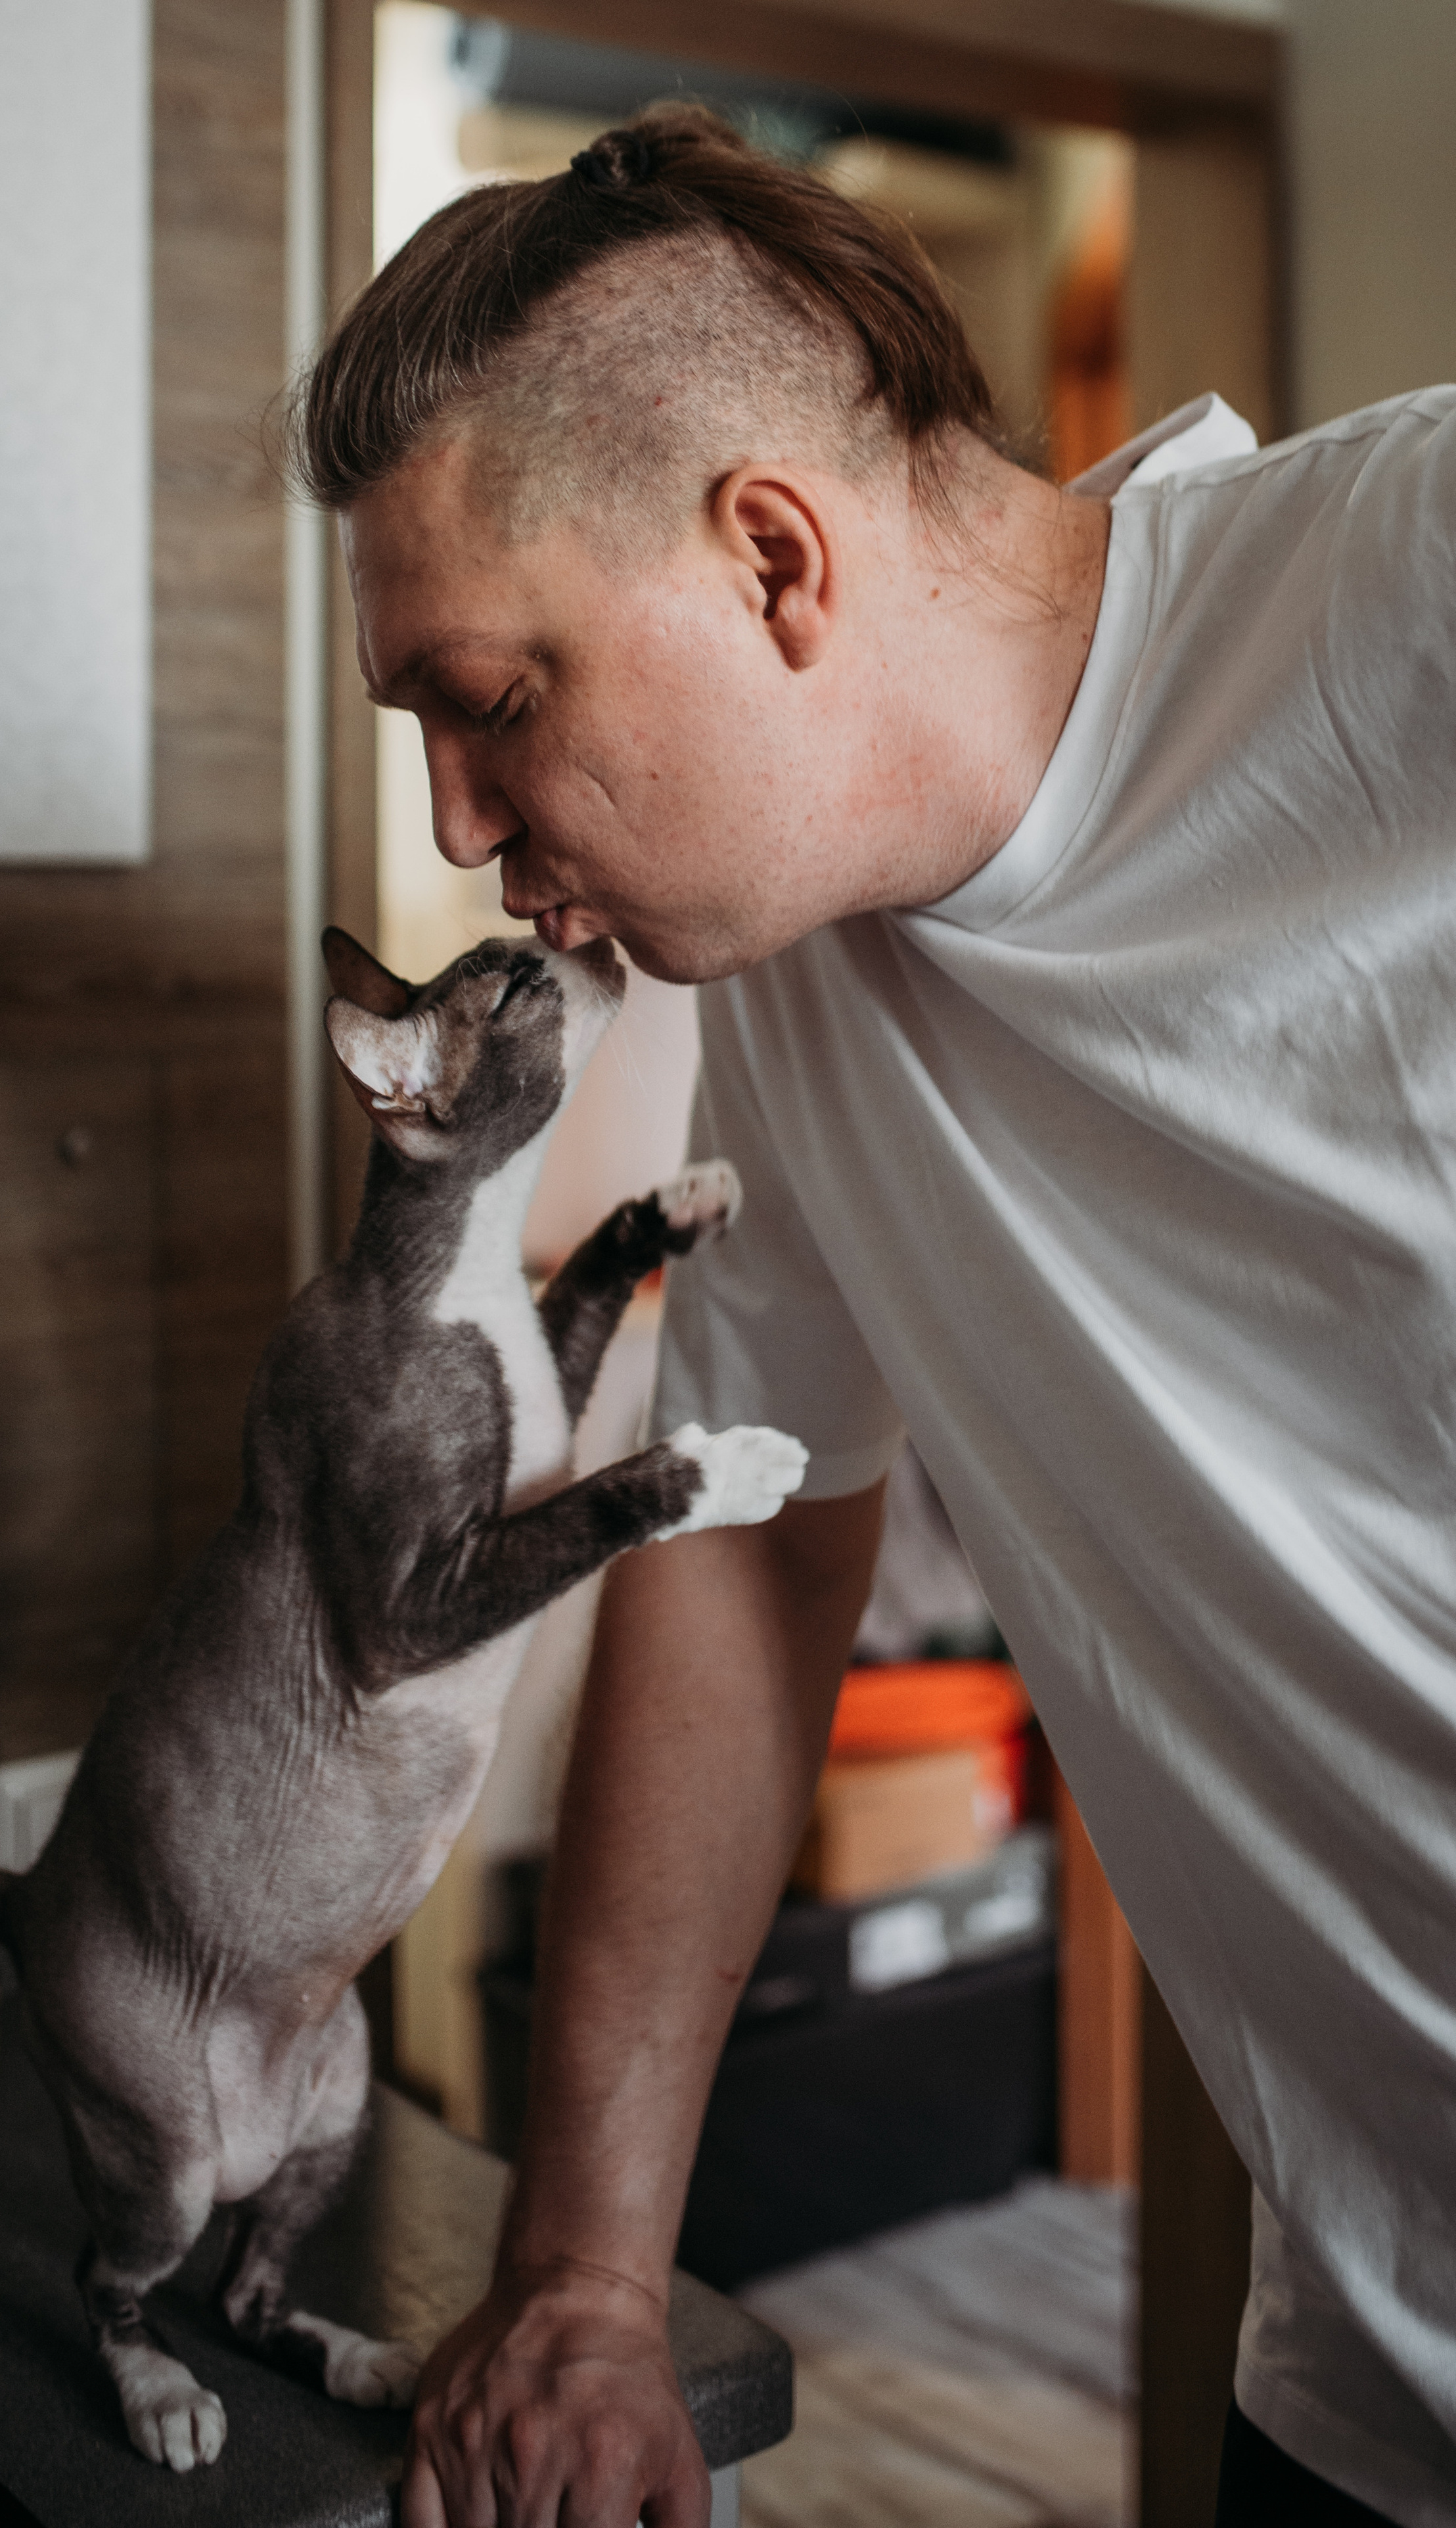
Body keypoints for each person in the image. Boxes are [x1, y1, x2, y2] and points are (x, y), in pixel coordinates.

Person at [290, 104, 1456, 2528]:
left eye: (488, 698)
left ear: (775, 558)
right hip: (1372, 2376)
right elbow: (747, 1542)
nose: (458, 828)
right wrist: (592, 2279)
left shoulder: (1410, 587)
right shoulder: (807, 982)